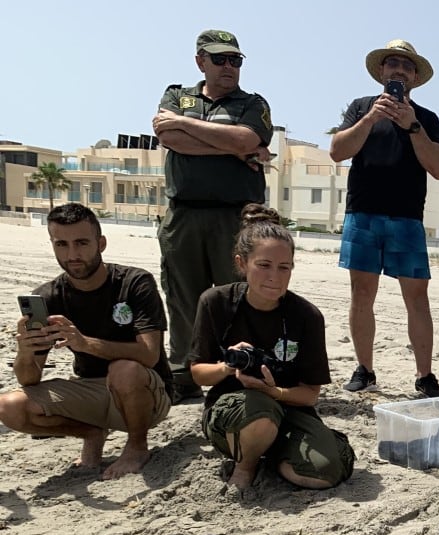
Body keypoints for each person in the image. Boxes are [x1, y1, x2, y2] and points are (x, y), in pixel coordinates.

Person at [189, 206, 355, 495]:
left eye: (284, 267)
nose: (274, 277)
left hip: (287, 407)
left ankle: (272, 451)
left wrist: (273, 391)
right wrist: (228, 367)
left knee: (324, 471)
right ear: (242, 263)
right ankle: (246, 467)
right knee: (259, 412)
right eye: (263, 265)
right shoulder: (216, 302)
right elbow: (198, 374)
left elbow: (309, 394)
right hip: (232, 411)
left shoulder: (306, 316)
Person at [0, 203, 171, 478]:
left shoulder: (134, 282)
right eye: (62, 245)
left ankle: (137, 446)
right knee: (9, 407)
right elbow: (29, 380)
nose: (73, 255)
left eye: (81, 243)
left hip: (147, 394)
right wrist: (25, 351)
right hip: (91, 390)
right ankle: (91, 434)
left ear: (100, 243)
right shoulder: (48, 296)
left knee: (123, 369)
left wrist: (83, 343)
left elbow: (150, 355)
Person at [153, 29, 272, 403]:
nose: (228, 67)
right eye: (219, 59)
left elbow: (245, 140)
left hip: (236, 218)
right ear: (200, 61)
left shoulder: (252, 104)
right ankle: (184, 376)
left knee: (236, 297)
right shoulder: (176, 95)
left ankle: (238, 371)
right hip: (184, 215)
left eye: (235, 60)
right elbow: (169, 138)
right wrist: (229, 145)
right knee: (183, 297)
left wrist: (187, 125)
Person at [330, 39, 439, 397]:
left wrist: (412, 126)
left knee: (417, 299)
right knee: (361, 295)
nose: (399, 70)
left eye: (406, 65)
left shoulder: (427, 119)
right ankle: (365, 369)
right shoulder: (361, 108)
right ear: (382, 71)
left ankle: (425, 376)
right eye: (393, 63)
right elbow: (337, 151)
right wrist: (371, 118)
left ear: (414, 76)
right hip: (362, 214)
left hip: (407, 219)